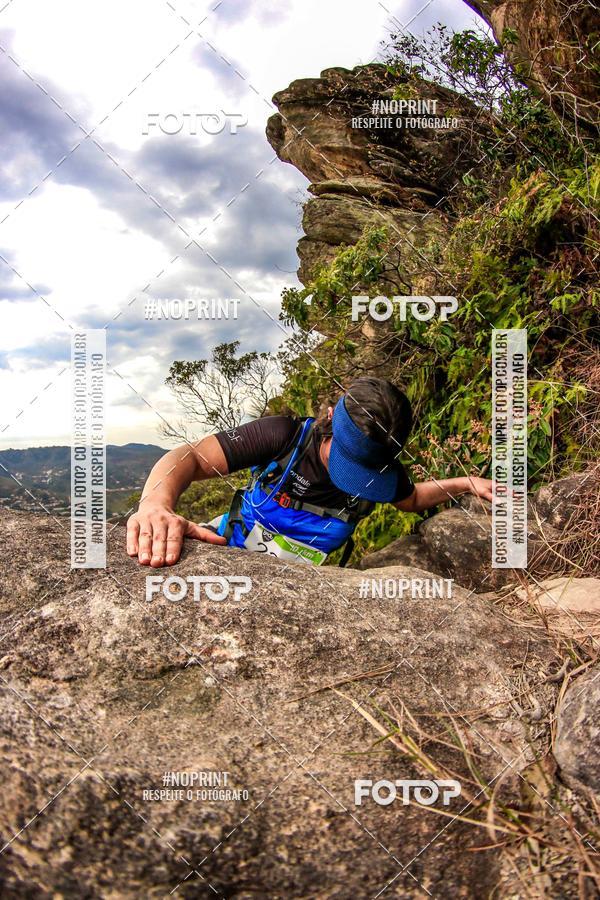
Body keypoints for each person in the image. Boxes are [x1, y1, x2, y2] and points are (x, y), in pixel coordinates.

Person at [126, 376, 493, 568]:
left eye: (366, 470)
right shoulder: (284, 436)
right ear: (329, 418)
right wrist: (156, 504)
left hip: (299, 582)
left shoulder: (380, 475)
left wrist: (466, 483)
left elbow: (411, 499)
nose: (352, 477)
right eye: (346, 460)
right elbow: (189, 457)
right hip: (226, 549)